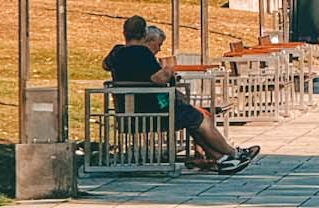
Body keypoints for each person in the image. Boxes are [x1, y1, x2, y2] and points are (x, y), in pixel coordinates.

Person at [103, 16, 258, 173]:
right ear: (143, 34)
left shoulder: (117, 52)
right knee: (200, 118)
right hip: (152, 112)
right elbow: (158, 78)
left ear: (124, 33)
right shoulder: (142, 52)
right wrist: (169, 68)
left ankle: (222, 160)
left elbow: (105, 65)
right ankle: (234, 153)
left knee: (191, 119)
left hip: (128, 112)